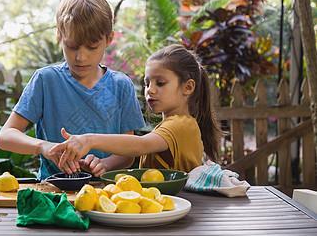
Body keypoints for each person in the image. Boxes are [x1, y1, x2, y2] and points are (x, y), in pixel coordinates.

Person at [0, 0, 145, 179]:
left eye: (92, 47)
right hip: (53, 193)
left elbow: (128, 151)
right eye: (72, 46)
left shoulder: (122, 85)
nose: (81, 57)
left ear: (109, 39)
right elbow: (6, 136)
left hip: (106, 195)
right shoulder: (45, 80)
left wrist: (105, 164)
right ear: (60, 37)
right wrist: (44, 146)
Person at [50, 44, 222, 173]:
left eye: (160, 83)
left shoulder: (180, 125)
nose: (150, 90)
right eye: (147, 83)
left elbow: (140, 145)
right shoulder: (171, 125)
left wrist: (88, 140)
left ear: (188, 87)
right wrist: (104, 164)